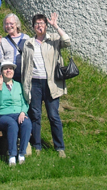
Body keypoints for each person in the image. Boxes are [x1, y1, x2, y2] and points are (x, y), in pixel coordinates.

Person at [21, 12, 71, 158]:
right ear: (33, 26)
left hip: (51, 83)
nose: (39, 26)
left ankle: (59, 147)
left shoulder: (54, 40)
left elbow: (67, 42)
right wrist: (26, 85)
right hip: (34, 82)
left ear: (46, 26)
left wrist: (56, 26)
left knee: (53, 115)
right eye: (36, 24)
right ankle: (37, 145)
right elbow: (25, 65)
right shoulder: (29, 43)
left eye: (42, 23)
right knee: (35, 115)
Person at [0, 60, 32, 166]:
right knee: (12, 125)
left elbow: (25, 102)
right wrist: (0, 86)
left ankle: (22, 153)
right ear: (1, 72)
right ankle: (12, 155)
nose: (8, 70)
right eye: (5, 68)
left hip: (19, 114)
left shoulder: (19, 85)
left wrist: (23, 112)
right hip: (3, 115)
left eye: (10, 68)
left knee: (27, 123)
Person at [0, 13, 28, 83]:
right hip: (7, 75)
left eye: (11, 23)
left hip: (23, 74)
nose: (9, 26)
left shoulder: (26, 38)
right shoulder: (3, 41)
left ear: (17, 24)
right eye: (6, 24)